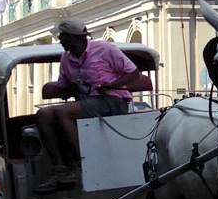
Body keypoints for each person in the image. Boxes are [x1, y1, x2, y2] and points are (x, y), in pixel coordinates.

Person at [35, 17, 141, 189]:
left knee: (63, 112)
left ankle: (81, 164)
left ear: (74, 37)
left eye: (62, 37)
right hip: (85, 103)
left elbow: (133, 73)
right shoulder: (66, 59)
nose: (60, 40)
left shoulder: (105, 49)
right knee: (43, 114)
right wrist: (71, 86)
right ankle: (59, 169)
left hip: (112, 100)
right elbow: (63, 88)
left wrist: (110, 85)